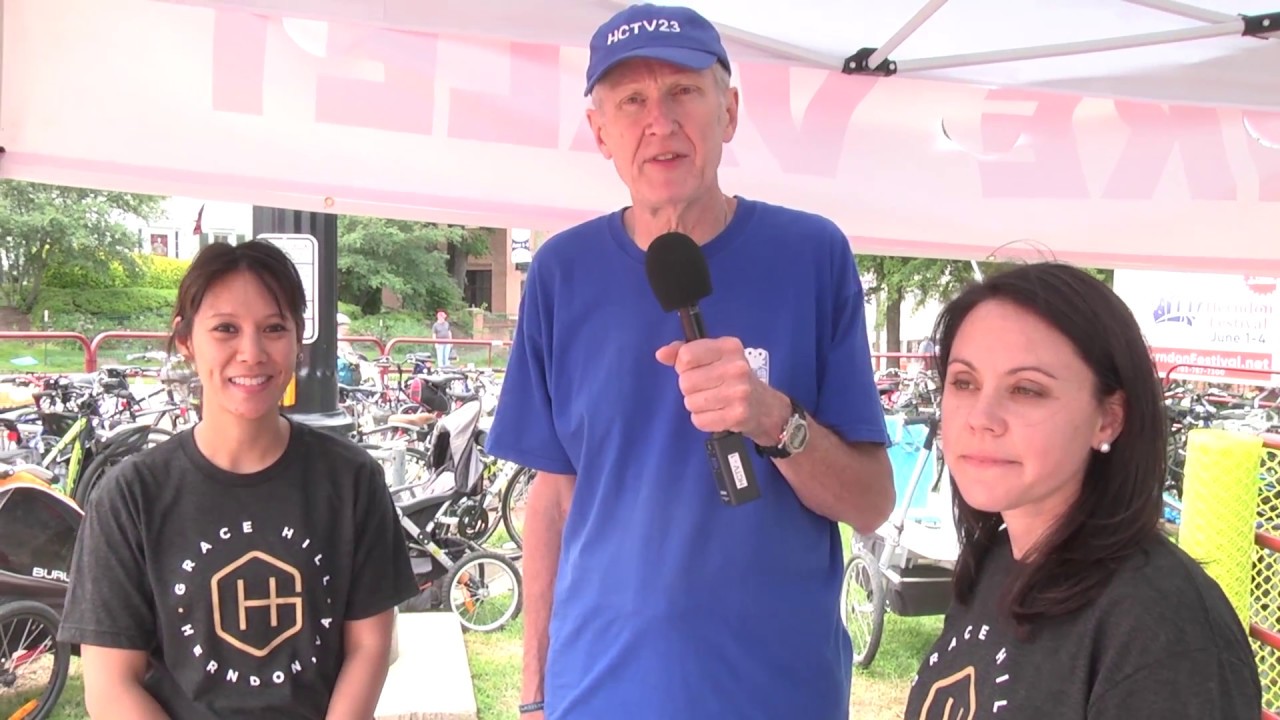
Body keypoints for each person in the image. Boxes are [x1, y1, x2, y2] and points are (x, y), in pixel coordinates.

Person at [483, 4, 895, 719]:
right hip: (598, 691)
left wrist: (775, 419)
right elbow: (552, 498)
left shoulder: (812, 256)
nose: (660, 122)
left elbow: (871, 501)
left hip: (775, 693)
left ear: (728, 112)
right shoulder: (559, 273)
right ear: (600, 132)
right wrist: (534, 693)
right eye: (632, 101)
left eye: (683, 92)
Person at [57, 240, 420, 719]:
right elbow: (111, 685)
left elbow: (368, 647)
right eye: (225, 328)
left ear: (298, 340)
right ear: (186, 340)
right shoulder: (130, 497)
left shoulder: (352, 481)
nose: (251, 353)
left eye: (274, 328)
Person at [903, 262, 1261, 719]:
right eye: (964, 382)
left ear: (1108, 419)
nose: (981, 417)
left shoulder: (1162, 631)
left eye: (1026, 389)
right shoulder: (992, 562)